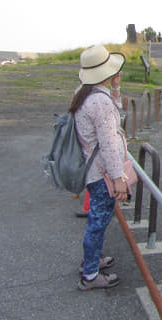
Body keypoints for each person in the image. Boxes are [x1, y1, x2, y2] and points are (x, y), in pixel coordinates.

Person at [70, 44, 129, 291]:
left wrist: (115, 88)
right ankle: (91, 274)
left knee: (98, 219)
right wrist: (118, 179)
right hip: (103, 173)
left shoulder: (84, 93)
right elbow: (108, 144)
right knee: (98, 221)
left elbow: (117, 113)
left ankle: (92, 261)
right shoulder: (100, 103)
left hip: (92, 170)